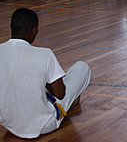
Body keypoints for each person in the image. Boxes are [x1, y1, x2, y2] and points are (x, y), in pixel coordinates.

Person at [0, 8, 91, 138]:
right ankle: (68, 103)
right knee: (82, 68)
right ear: (34, 30)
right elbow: (60, 94)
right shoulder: (44, 54)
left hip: (9, 123)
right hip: (44, 125)